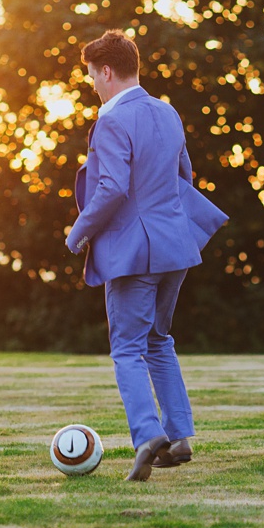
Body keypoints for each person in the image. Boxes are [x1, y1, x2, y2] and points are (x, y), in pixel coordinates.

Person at [66, 29, 228, 482]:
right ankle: (178, 436)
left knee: (127, 349)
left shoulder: (113, 120)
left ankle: (147, 435)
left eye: (93, 78)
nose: (94, 87)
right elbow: (185, 175)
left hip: (133, 252)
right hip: (176, 247)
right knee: (159, 340)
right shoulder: (167, 112)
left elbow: (112, 187)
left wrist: (78, 233)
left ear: (106, 71)